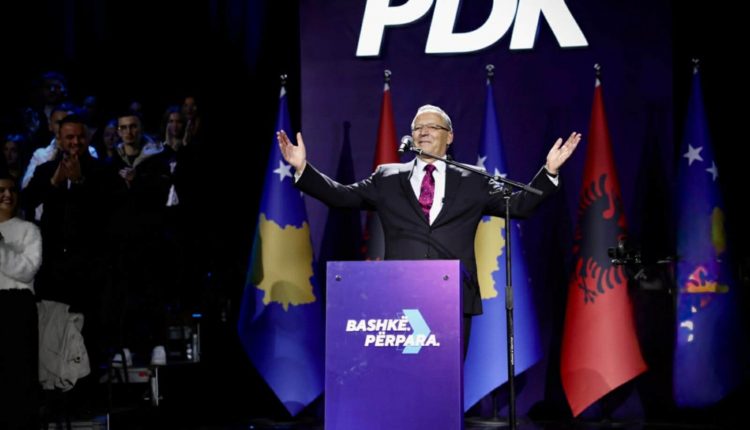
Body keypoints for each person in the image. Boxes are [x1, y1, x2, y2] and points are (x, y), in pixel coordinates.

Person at [277, 104, 580, 350]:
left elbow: (519, 206)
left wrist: (549, 171)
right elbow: (341, 197)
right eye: (417, 127)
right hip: (400, 294)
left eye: (432, 126)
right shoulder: (387, 177)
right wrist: (303, 168)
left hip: (453, 296)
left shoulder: (473, 178)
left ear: (449, 137)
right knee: (405, 376)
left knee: (445, 381)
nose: (423, 132)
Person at [0, 172, 43, 429]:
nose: (7, 195)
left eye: (12, 190)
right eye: (1, 190)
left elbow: (26, 270)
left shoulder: (29, 230)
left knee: (19, 376)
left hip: (17, 307)